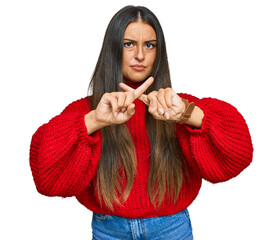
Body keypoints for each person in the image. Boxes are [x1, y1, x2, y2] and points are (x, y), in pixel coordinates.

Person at [29, 5, 253, 240]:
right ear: (113, 49)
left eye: (149, 45)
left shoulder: (179, 107)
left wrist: (186, 114)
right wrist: (95, 120)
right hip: (109, 230)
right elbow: (46, 178)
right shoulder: (85, 112)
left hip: (171, 229)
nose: (140, 55)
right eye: (128, 44)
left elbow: (239, 154)